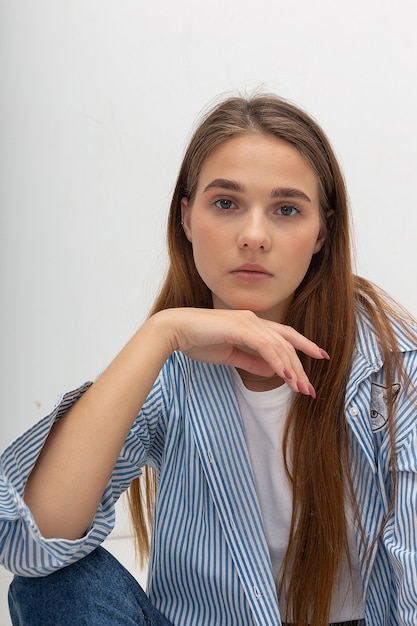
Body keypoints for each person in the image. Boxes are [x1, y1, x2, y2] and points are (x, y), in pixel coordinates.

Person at [1, 94, 416, 626]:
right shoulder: (170, 367)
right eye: (226, 203)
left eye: (287, 209)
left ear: (322, 233)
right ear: (186, 218)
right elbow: (33, 542)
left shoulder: (391, 365)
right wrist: (163, 333)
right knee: (57, 585)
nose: (253, 236)